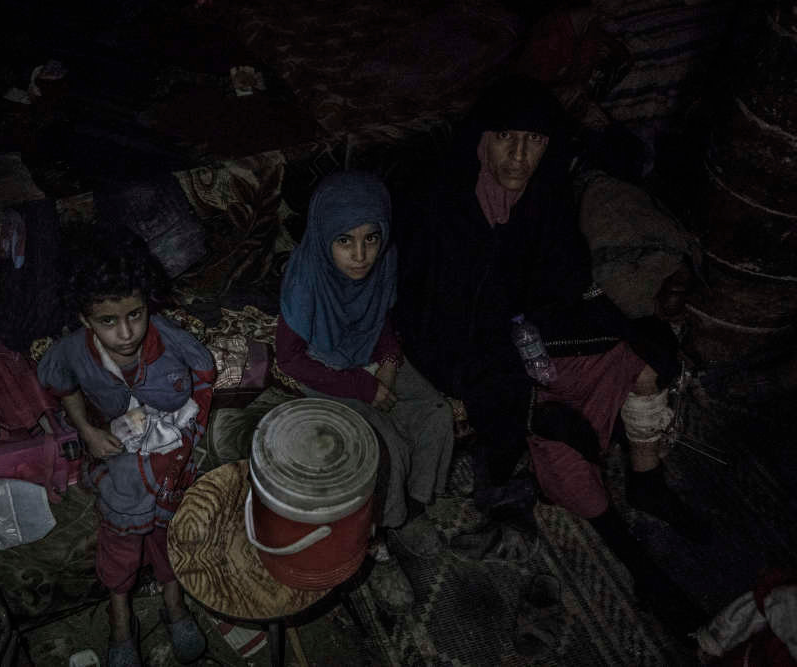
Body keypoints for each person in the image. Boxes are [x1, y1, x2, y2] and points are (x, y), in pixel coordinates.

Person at [394, 75, 706, 636]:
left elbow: (563, 288)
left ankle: (646, 479)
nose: (519, 155)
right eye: (507, 138)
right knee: (554, 437)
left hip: (529, 340)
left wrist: (620, 326)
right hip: (467, 354)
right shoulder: (440, 204)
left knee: (641, 360)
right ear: (482, 141)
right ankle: (634, 558)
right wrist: (506, 362)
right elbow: (420, 306)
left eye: (534, 141)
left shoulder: (544, 200)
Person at [274, 170, 455, 611]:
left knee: (435, 412)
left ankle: (410, 510)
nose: (360, 255)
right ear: (323, 238)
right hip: (323, 368)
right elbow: (291, 358)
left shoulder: (385, 260)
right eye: (345, 241)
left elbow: (382, 323)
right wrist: (364, 386)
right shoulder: (306, 281)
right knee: (382, 445)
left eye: (371, 238)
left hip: (369, 356)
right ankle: (376, 544)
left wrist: (390, 366)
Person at [37, 227, 212, 667]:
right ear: (85, 319)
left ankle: (174, 607)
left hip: (172, 461)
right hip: (118, 462)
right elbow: (60, 385)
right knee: (122, 530)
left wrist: (189, 430)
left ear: (146, 305)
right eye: (108, 321)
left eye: (135, 314)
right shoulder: (73, 352)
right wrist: (88, 432)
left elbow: (205, 376)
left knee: (168, 530)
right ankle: (120, 619)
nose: (126, 333)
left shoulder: (170, 340)